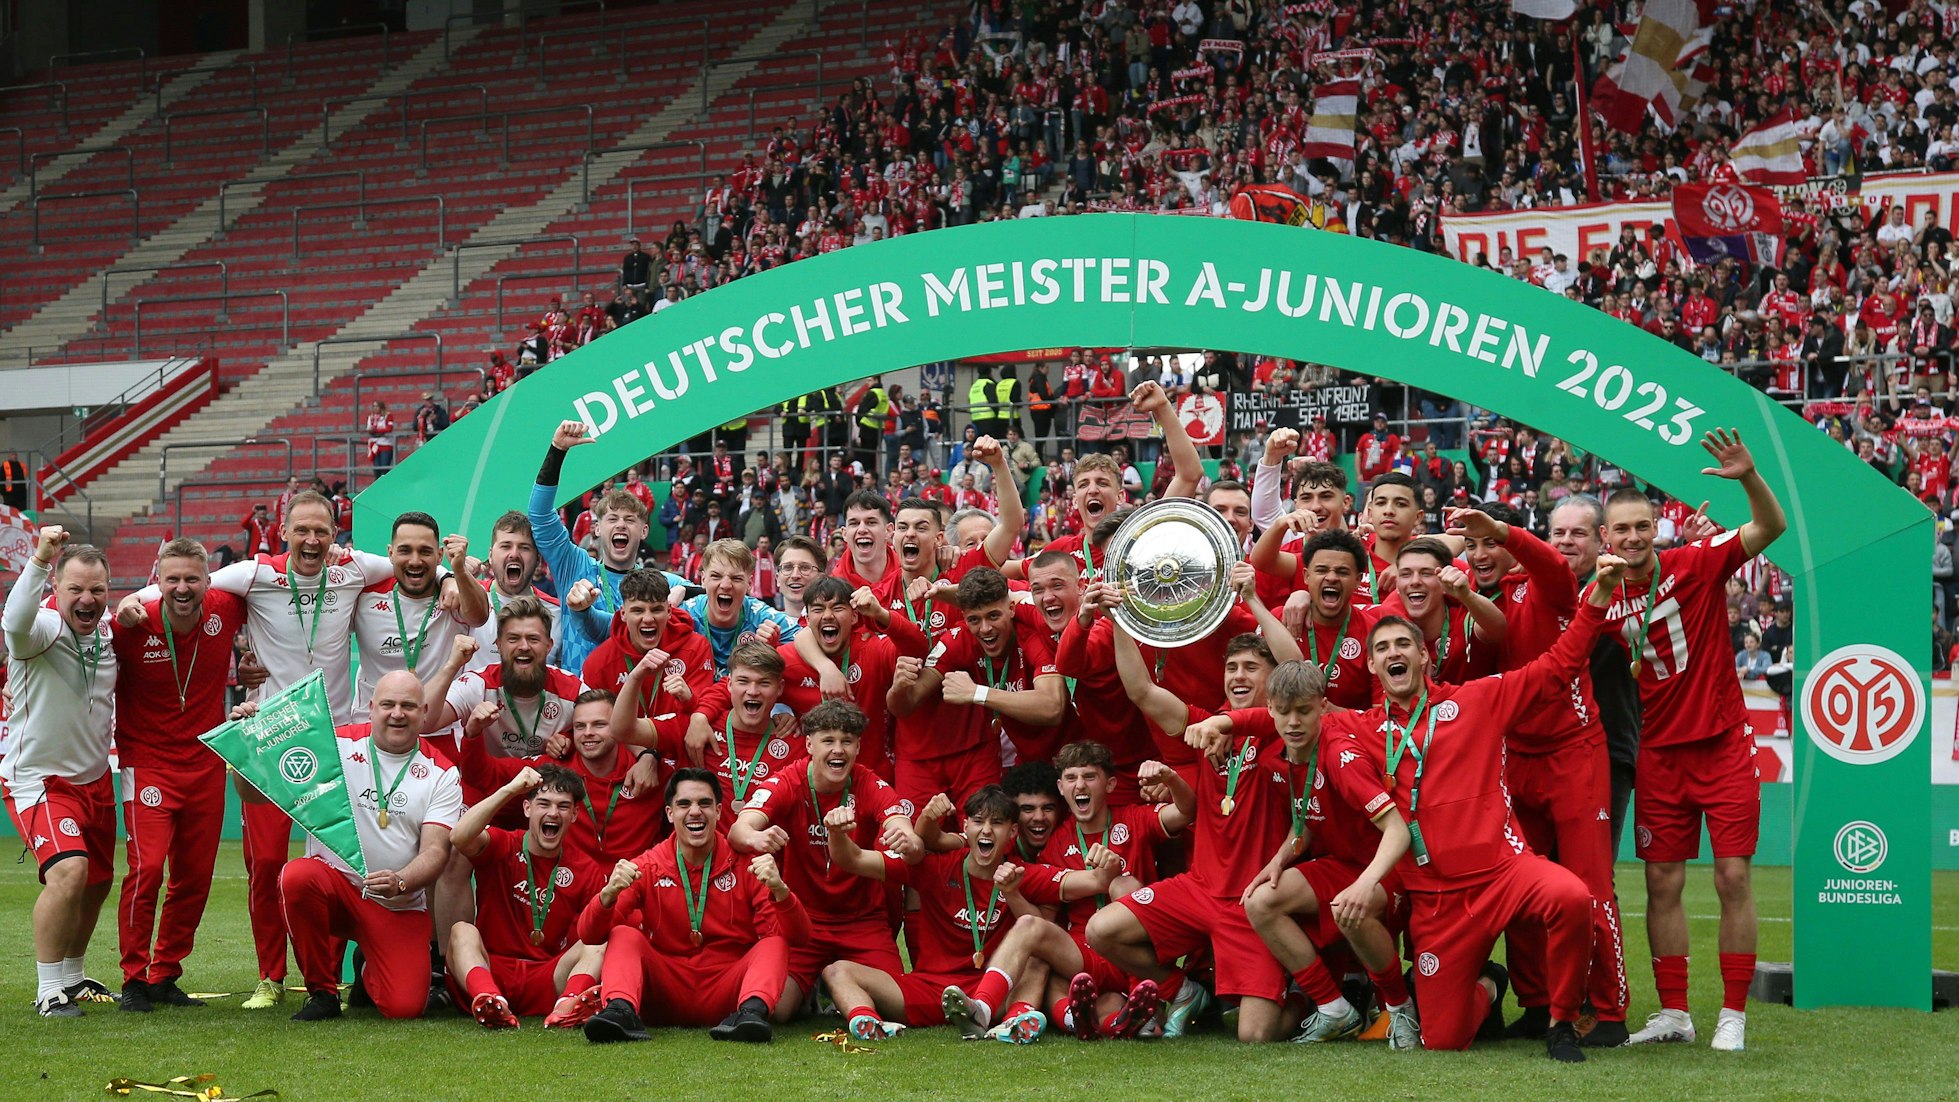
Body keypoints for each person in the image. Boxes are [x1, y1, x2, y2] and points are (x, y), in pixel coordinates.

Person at [120, 491, 410, 1010]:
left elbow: (417, 563)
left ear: (335, 532)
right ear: (283, 531)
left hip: (338, 738)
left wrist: (459, 574)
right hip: (268, 740)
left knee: (340, 861)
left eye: (322, 530)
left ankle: (328, 977)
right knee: (268, 863)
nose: (312, 540)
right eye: (302, 530)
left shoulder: (355, 569)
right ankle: (270, 976)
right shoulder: (255, 574)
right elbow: (181, 588)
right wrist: (131, 602)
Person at [1329, 555, 1626, 1060]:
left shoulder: (1477, 700)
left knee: (1572, 896)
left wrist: (1598, 597)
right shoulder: (1356, 728)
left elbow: (1558, 666)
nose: (1393, 653)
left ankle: (1560, 1021)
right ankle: (1491, 983)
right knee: (1443, 1040)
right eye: (1382, 648)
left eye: (1404, 644)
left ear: (1425, 657)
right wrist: (1231, 723)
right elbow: (1297, 718)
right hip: (1437, 902)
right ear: (1373, 666)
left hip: (1503, 873)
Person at [1602, 430, 1787, 1053]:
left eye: (1641, 526)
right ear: (1607, 539)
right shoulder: (1600, 597)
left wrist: (1748, 478)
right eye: (1620, 529)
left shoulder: (1696, 563)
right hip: (1658, 754)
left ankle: (1733, 1012)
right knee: (1662, 885)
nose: (1631, 537)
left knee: (1733, 877)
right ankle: (1675, 1013)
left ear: (1655, 528)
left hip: (1723, 745)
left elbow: (1772, 527)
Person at [1451, 504, 1628, 1045]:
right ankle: (1536, 1004)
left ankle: (1609, 1012)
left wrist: (1502, 530)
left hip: (1575, 753)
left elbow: (1548, 563)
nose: (1481, 554)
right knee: (1522, 887)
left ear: (1513, 547)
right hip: (1512, 755)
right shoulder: (1475, 598)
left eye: (1491, 545)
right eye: (1473, 546)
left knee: (1589, 885)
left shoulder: (1550, 585)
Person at [1209, 664, 1419, 1047]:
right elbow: (1304, 818)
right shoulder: (1280, 757)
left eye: (1304, 711)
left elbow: (1396, 830)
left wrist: (1365, 883)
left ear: (1323, 707)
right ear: (1269, 709)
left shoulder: (1341, 757)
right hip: (1343, 865)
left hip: (1387, 867)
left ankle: (1402, 1009)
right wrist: (1277, 861)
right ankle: (1333, 1008)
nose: (1293, 722)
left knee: (1348, 908)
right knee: (1259, 901)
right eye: (1284, 711)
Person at [819, 785, 1098, 1039]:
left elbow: (1082, 890)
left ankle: (1015, 1021)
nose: (986, 830)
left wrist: (1013, 892)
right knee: (836, 971)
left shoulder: (1023, 874)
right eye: (979, 821)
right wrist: (836, 832)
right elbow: (852, 859)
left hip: (994, 992)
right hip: (930, 990)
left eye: (997, 823)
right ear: (966, 827)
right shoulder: (936, 866)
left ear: (1012, 831)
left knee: (1039, 958)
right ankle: (867, 1022)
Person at [268, 669, 464, 1021]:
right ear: (371, 708)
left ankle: (364, 968)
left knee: (404, 1008)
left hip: (395, 902)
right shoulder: (335, 744)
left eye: (408, 706)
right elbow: (255, 791)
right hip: (336, 888)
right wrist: (244, 750)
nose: (397, 714)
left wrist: (401, 880)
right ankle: (322, 993)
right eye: (387, 704)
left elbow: (436, 852)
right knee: (296, 877)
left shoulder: (442, 772)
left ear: (424, 712)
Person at [108, 538, 248, 1012]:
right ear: (157, 581)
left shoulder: (226, 608)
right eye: (173, 579)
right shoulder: (130, 624)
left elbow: (274, 586)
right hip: (148, 764)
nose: (182, 588)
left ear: (208, 581)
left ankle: (165, 973)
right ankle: (133, 977)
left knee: (194, 877)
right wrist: (125, 602)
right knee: (146, 869)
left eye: (192, 578)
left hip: (206, 762)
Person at [577, 768, 809, 1043]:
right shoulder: (648, 865)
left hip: (728, 994)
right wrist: (607, 895)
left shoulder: (748, 864)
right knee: (624, 934)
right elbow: (589, 935)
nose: (695, 812)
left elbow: (799, 938)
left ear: (720, 811)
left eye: (704, 803)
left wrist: (781, 890)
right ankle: (620, 1010)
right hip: (665, 992)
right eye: (684, 804)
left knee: (774, 942)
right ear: (669, 813)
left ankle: (752, 1014)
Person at [729, 699, 919, 1022]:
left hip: (863, 920)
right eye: (828, 740)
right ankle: (810, 988)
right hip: (806, 921)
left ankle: (834, 981)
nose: (838, 750)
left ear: (858, 747)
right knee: (778, 1010)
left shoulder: (869, 783)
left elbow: (903, 831)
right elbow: (738, 829)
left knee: (894, 1003)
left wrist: (906, 837)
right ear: (809, 744)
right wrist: (757, 838)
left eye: (847, 741)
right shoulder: (788, 780)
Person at [3, 526, 119, 1017]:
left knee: (96, 881)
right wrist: (39, 559)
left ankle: (73, 976)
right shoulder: (44, 628)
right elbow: (14, 624)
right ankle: (49, 988)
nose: (87, 599)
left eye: (97, 590)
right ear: (57, 590)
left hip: (95, 779)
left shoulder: (112, 628)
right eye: (75, 589)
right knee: (69, 873)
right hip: (41, 780)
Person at [444, 764, 607, 1029]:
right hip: (490, 968)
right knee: (461, 931)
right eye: (543, 803)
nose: (553, 812)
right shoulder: (502, 844)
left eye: (563, 806)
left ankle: (568, 1004)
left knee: (600, 939)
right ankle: (489, 999)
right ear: (527, 808)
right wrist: (510, 789)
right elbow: (459, 837)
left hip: (546, 975)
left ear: (575, 814)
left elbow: (595, 935)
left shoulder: (585, 868)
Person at [891, 567, 1066, 806]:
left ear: (1011, 609)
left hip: (1070, 750)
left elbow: (1052, 708)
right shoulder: (959, 639)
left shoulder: (1032, 635)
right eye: (974, 619)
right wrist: (899, 686)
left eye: (993, 616)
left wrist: (977, 693)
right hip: (1027, 757)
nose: (985, 629)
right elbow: (906, 705)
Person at [528, 421, 688, 672]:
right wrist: (557, 451)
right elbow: (539, 515)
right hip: (581, 701)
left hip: (635, 703)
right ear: (598, 528)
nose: (621, 526)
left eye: (630, 520)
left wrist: (684, 595)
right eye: (612, 519)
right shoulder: (574, 565)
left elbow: (713, 593)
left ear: (644, 531)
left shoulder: (663, 583)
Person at [453, 689, 663, 866]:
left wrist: (650, 755)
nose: (588, 733)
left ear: (619, 725)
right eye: (580, 726)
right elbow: (480, 774)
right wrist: (473, 732)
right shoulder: (551, 770)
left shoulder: (648, 772)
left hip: (633, 892)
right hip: (567, 891)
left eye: (600, 724)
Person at [1548, 494, 1642, 862]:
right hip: (1541, 752)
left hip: (1606, 748)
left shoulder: (1624, 589)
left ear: (1602, 539)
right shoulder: (1532, 589)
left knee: (1593, 872)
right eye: (1558, 532)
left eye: (1578, 533)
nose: (1566, 540)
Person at [774, 575, 930, 781]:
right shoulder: (788, 660)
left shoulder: (873, 650)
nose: (828, 616)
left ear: (854, 617)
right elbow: (742, 688)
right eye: (818, 609)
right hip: (815, 786)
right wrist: (775, 712)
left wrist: (880, 614)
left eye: (837, 608)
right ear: (807, 619)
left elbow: (918, 648)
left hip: (876, 779)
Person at [352, 513, 486, 710]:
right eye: (405, 551)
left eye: (425, 551)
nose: (415, 561)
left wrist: (458, 570)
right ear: (390, 553)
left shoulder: (455, 593)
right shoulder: (364, 596)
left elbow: (479, 617)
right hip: (370, 726)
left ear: (439, 555)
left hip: (436, 729)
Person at [465, 511, 561, 672]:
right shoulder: (467, 598)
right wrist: (456, 577)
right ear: (490, 555)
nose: (514, 554)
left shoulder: (557, 612)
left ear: (537, 559)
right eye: (505, 546)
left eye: (524, 548)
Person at [365, 402, 397, 476]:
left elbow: (389, 429)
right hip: (375, 444)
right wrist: (374, 431)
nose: (375, 408)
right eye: (373, 406)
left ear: (381, 407)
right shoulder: (371, 417)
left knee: (384, 468)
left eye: (377, 406)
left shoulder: (388, 415)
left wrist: (376, 431)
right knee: (376, 469)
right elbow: (369, 428)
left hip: (386, 444)